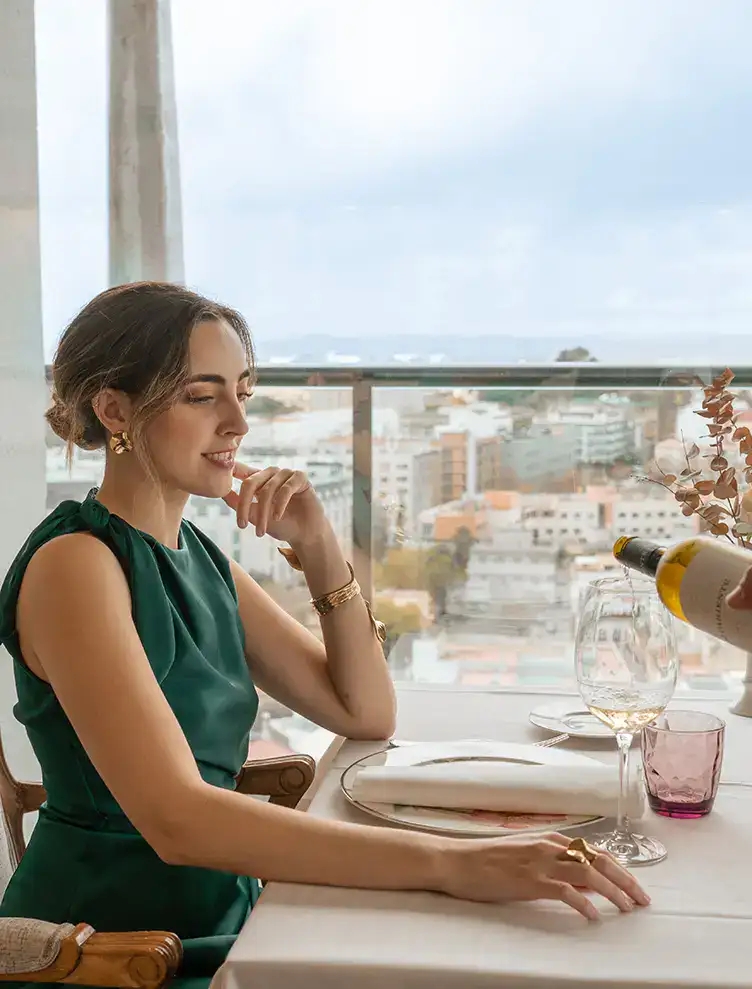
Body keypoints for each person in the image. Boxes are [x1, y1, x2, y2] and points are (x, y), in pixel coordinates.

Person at [0, 282, 648, 988]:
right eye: (201, 395)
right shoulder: (77, 565)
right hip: (112, 949)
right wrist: (450, 861)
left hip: (228, 909)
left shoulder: (196, 555)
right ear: (114, 407)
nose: (238, 421)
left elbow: (365, 711)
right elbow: (178, 818)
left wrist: (317, 542)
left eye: (243, 391)